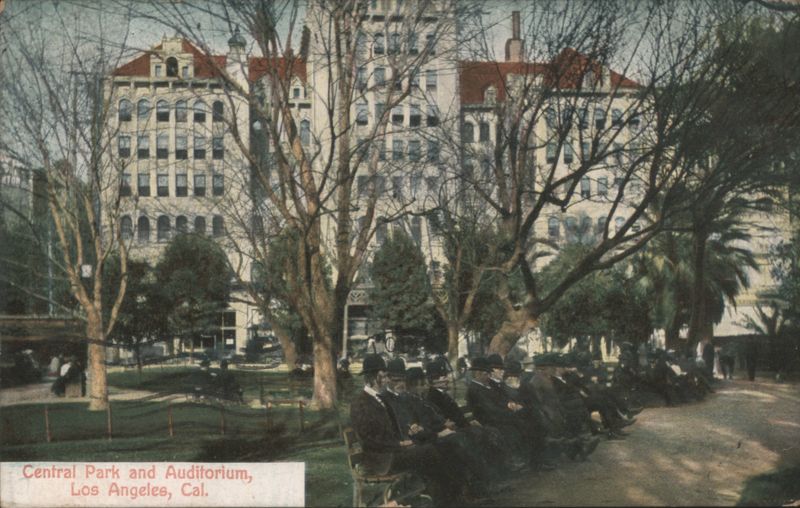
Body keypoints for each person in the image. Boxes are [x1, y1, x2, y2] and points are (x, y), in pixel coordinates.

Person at [350, 354, 463, 504]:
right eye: (383, 376)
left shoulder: (378, 399)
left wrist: (408, 433)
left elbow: (391, 428)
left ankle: (442, 497)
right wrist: (400, 444)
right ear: (372, 377)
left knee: (436, 449)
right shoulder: (361, 402)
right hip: (380, 461)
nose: (386, 380)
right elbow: (368, 440)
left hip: (391, 454)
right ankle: (443, 499)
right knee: (429, 452)